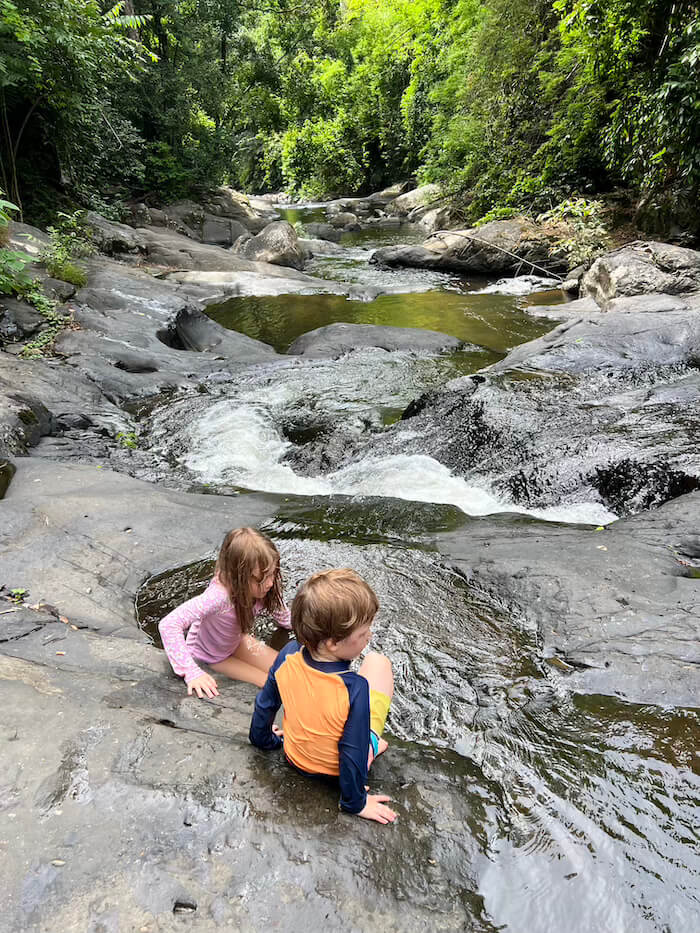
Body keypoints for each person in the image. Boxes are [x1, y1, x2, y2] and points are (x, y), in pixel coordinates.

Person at [249, 568, 397, 825]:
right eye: (363, 634)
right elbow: (352, 752)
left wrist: (263, 739)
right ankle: (375, 741)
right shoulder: (355, 688)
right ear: (332, 643)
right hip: (333, 774)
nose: (369, 636)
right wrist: (355, 803)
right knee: (378, 663)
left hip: (294, 757)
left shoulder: (287, 654)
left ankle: (372, 742)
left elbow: (266, 703)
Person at [159, 527, 291, 697]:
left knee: (289, 671)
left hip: (236, 643)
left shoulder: (263, 586)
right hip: (212, 657)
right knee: (274, 684)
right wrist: (192, 672)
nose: (270, 583)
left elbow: (283, 615)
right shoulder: (219, 597)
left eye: (273, 574)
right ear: (237, 577)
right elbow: (169, 624)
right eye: (261, 579)